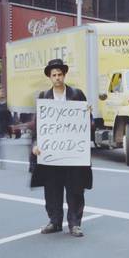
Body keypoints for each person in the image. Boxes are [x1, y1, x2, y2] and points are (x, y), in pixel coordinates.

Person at [31, 59, 93, 238]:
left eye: (59, 74)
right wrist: (36, 144)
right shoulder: (44, 97)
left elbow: (87, 121)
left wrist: (88, 112)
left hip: (73, 152)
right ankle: (55, 221)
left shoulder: (76, 94)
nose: (57, 78)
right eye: (54, 75)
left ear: (64, 75)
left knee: (75, 189)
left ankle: (75, 224)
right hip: (51, 153)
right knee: (52, 189)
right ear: (50, 77)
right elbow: (38, 125)